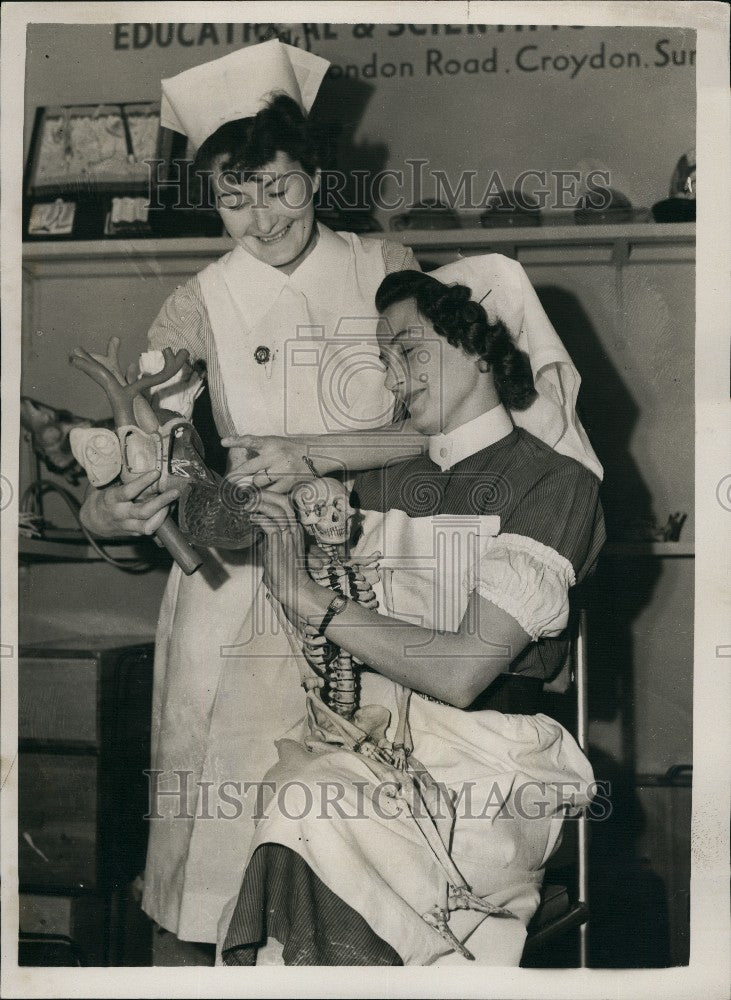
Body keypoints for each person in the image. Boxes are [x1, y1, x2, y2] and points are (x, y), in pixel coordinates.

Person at [78, 40, 426, 946]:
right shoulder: (193, 306)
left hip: (380, 576)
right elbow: (155, 458)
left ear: (315, 174)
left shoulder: (388, 266)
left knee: (370, 836)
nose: (261, 218)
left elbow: (441, 428)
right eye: (235, 198)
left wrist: (317, 458)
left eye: (279, 188)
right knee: (211, 853)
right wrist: (124, 507)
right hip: (233, 588)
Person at [218, 262, 606, 965]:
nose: (393, 377)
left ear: (480, 347)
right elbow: (229, 525)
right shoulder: (372, 479)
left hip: (492, 763)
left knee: (315, 816)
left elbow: (461, 672)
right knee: (295, 799)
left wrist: (307, 596)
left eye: (409, 349)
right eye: (384, 359)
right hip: (374, 747)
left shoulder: (556, 485)